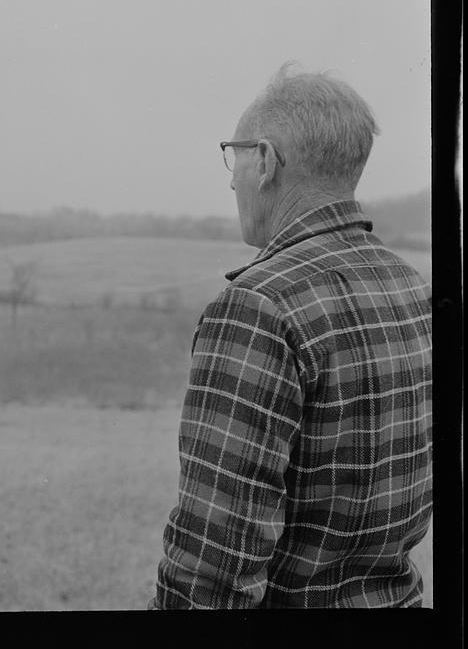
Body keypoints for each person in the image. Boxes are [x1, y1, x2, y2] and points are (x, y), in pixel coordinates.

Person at [149, 63, 432, 608]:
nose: (232, 178)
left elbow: (213, 566)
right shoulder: (409, 285)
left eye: (235, 156)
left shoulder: (258, 305)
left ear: (268, 162)